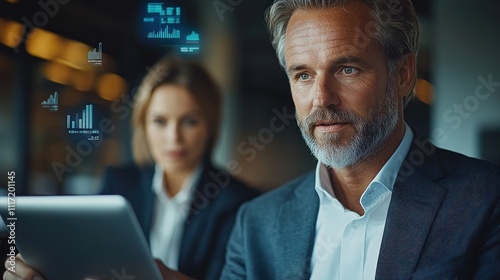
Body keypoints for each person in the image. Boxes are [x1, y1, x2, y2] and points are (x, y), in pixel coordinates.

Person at [220, 0, 500, 279]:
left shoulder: (486, 199)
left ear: (403, 74)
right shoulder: (255, 224)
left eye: (347, 69)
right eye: (303, 75)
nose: (321, 99)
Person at [4, 56, 259, 280]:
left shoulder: (239, 205)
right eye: (160, 121)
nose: (174, 137)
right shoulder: (119, 184)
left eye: (190, 121)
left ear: (210, 125)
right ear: (143, 125)